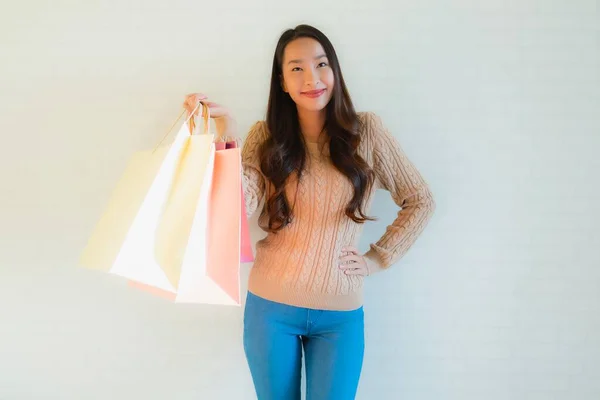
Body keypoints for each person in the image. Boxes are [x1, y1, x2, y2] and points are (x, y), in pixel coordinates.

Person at [183, 24, 435, 400]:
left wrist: (376, 259)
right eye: (296, 68)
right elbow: (239, 206)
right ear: (282, 81)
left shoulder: (367, 132)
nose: (311, 78)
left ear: (334, 70)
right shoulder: (264, 137)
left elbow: (420, 200)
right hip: (271, 309)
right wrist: (226, 134)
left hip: (340, 315)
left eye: (321, 64)